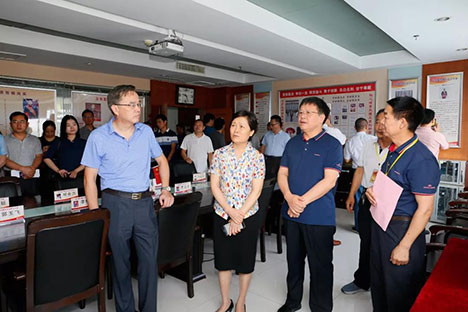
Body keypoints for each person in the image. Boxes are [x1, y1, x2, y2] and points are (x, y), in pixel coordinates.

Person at [81, 85, 174, 312]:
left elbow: (162, 161)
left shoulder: (146, 132)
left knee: (149, 262)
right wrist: (97, 215)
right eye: (131, 104)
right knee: (121, 264)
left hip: (144, 203)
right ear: (115, 108)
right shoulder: (98, 137)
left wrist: (166, 188)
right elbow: (89, 178)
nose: (137, 108)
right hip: (115, 204)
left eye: (138, 103)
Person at [366, 96, 440, 312]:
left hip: (402, 230)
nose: (381, 122)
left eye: (386, 117)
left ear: (402, 122)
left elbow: (425, 210)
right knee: (379, 286)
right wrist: (372, 192)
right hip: (381, 224)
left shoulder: (421, 159)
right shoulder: (393, 151)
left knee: (399, 292)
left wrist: (405, 246)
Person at [277, 97, 342, 312]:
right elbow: (282, 173)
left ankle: (321, 308)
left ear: (322, 117)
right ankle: (292, 301)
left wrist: (300, 201)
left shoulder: (331, 144)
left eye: (308, 112)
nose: (302, 116)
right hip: (292, 215)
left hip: (319, 217)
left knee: (320, 266)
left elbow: (329, 181)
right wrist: (288, 197)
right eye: (301, 112)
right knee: (294, 263)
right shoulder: (292, 142)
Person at [210, 110, 265, 312]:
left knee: (245, 262)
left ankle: (241, 301)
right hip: (222, 214)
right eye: (233, 125)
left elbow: (256, 190)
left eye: (242, 126)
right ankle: (226, 302)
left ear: (251, 132)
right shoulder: (219, 154)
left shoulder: (257, 157)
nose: (236, 129)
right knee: (223, 261)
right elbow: (215, 186)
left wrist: (239, 214)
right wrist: (230, 212)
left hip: (247, 216)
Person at [341, 109, 391, 295]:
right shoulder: (369, 145)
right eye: (377, 122)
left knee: (385, 245)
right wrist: (351, 194)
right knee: (366, 242)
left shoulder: (399, 148)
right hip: (367, 201)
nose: (380, 126)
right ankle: (362, 280)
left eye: (384, 122)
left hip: (389, 205)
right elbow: (360, 170)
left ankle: (385, 284)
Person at [343, 118, 376, 232]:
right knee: (372, 198)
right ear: (367, 127)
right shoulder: (374, 139)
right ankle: (372, 226)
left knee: (358, 199)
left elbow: (346, 160)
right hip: (372, 173)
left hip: (356, 172)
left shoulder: (350, 141)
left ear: (355, 128)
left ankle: (358, 226)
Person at [5, 112, 43, 195]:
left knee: (33, 202)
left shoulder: (35, 140)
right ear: (10, 124)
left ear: (27, 124)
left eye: (22, 122)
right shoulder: (4, 140)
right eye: (15, 122)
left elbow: (39, 156)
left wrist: (32, 169)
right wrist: (22, 169)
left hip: (32, 176)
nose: (19, 125)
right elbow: (4, 159)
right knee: (14, 204)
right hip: (12, 178)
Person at [43, 115, 86, 183]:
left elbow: (88, 161)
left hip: (80, 177)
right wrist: (58, 170)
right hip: (63, 178)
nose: (72, 127)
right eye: (68, 125)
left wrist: (76, 171)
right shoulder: (58, 142)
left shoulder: (84, 143)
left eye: (74, 124)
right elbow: (46, 158)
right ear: (64, 128)